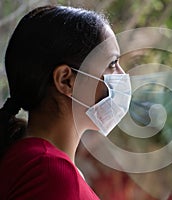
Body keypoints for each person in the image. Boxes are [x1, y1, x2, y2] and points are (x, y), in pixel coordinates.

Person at [0, 5, 131, 200]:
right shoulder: (51, 172)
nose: (122, 76)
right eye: (112, 64)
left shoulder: (38, 162)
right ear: (66, 80)